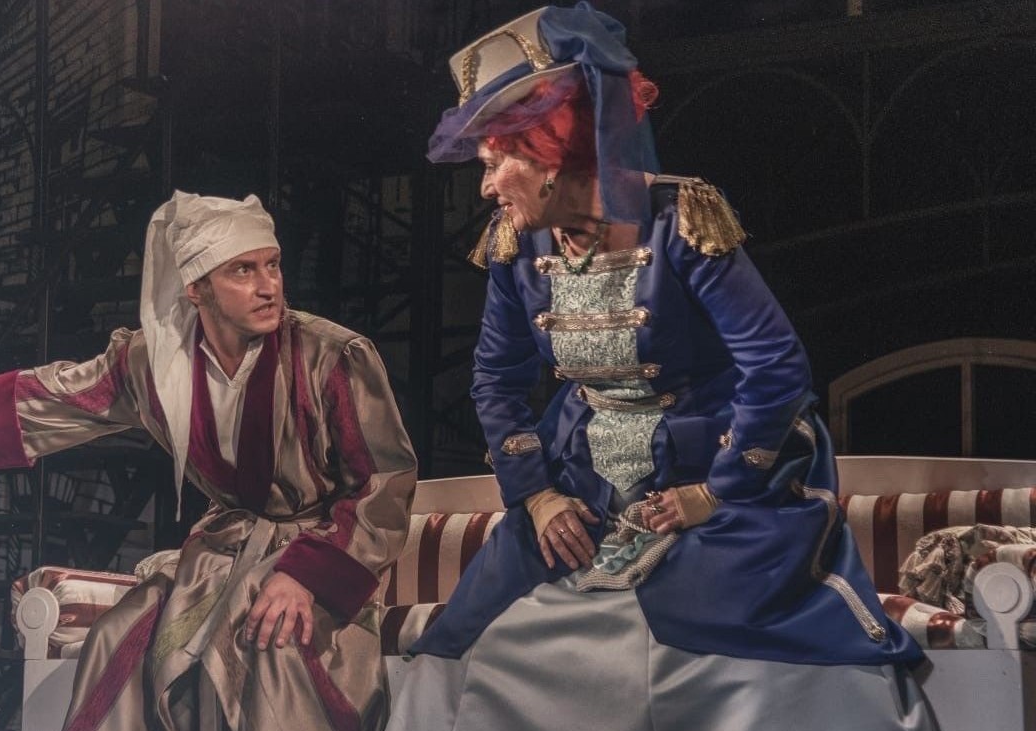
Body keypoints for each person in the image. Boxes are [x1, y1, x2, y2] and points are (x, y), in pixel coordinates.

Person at [388, 5, 938, 730]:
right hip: (583, 477)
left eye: (495, 164)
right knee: (470, 628)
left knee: (727, 631)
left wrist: (717, 491)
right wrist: (538, 496)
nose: (486, 187)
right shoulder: (516, 246)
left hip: (714, 467)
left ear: (548, 152)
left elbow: (775, 366)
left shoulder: (680, 221)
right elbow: (495, 378)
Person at [0, 191, 418, 731]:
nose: (268, 286)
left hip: (319, 560)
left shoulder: (331, 356)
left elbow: (384, 482)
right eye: (243, 271)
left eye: (273, 265)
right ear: (196, 288)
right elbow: (60, 393)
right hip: (221, 560)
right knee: (118, 638)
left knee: (271, 648)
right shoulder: (155, 363)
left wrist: (303, 577)